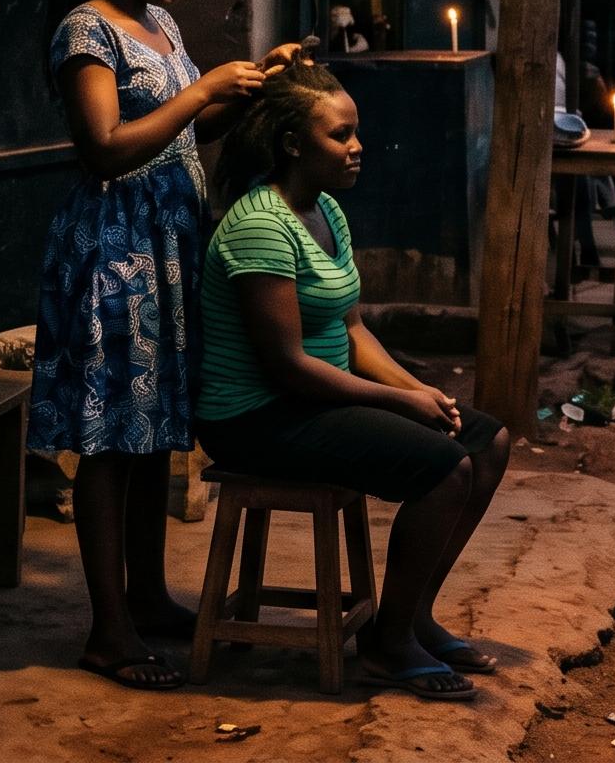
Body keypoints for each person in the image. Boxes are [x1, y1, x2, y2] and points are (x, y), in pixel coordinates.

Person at [34, 0, 300, 691]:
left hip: (169, 245)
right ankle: (108, 630)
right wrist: (200, 91)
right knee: (112, 442)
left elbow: (191, 131)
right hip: (115, 253)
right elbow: (107, 146)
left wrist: (252, 85)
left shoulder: (159, 22)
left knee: (150, 437)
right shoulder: (87, 33)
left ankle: (147, 599)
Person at [195, 63, 510, 700]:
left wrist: (423, 394)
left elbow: (352, 328)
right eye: (340, 136)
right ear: (292, 144)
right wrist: (399, 401)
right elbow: (287, 366)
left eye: (356, 133)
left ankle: (412, 614)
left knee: (488, 441)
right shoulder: (262, 225)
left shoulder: (326, 211)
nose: (357, 147)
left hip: (308, 398)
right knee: (446, 469)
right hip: (255, 417)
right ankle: (388, 647)